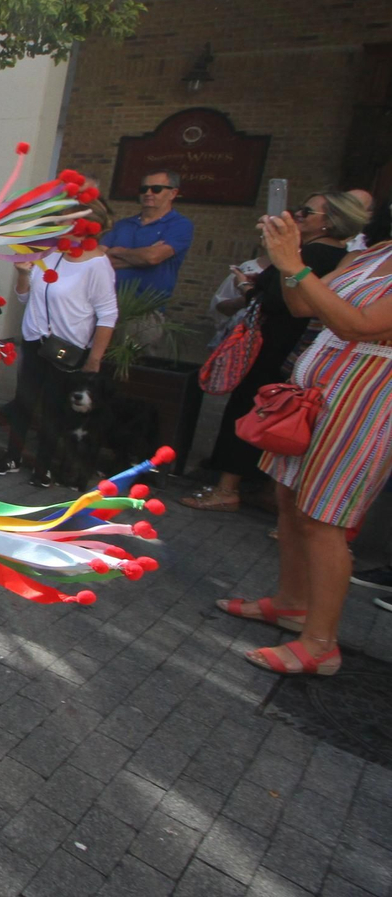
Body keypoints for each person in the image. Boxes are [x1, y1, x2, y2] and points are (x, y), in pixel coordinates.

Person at [216, 213, 392, 676]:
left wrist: (294, 264)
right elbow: (301, 305)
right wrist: (285, 262)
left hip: (365, 405)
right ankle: (291, 603)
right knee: (290, 501)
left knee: (324, 518)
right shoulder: (372, 255)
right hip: (315, 399)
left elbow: (357, 325)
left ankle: (320, 643)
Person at [184, 192, 366, 512]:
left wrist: (247, 287)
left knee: (248, 408)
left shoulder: (310, 254)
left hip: (273, 344)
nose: (296, 214)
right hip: (301, 347)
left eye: (306, 211)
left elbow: (280, 302)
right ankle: (267, 487)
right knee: (284, 414)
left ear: (329, 220)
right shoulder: (341, 257)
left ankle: (227, 488)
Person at [0, 201, 118, 486]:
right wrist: (23, 275)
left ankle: (43, 466)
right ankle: (12, 456)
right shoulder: (51, 254)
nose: (60, 227)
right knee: (24, 401)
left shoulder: (98, 265)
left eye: (67, 222)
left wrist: (95, 358)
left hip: (68, 347)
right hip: (35, 340)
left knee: (54, 407)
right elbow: (25, 297)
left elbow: (108, 314)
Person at [101, 169, 194, 302]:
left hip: (145, 308)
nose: (148, 193)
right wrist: (141, 259)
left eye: (156, 189)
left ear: (173, 193)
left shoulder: (180, 225)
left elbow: (152, 257)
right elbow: (100, 260)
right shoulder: (122, 224)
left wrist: (117, 251)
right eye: (144, 189)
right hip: (107, 302)